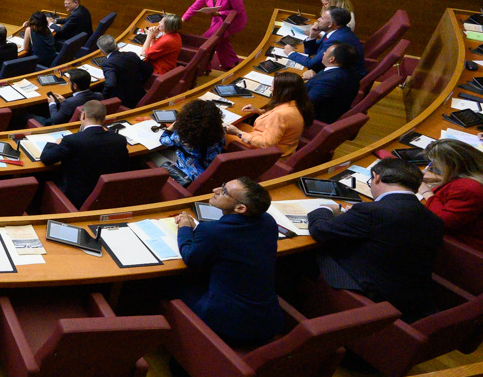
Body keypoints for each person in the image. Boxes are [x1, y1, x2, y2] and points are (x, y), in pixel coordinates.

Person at [309, 159, 443, 321]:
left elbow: (320, 231)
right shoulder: (434, 219)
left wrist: (324, 210)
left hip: (370, 293)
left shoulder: (372, 211)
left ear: (376, 177)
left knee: (313, 252)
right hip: (411, 297)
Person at [172, 178, 283, 347]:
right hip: (266, 321)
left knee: (168, 285)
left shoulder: (212, 231)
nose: (216, 189)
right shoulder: (268, 222)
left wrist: (185, 228)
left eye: (224, 191)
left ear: (240, 208)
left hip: (228, 325)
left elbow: (191, 259)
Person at [39, 100, 131, 208]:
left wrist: (55, 143)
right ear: (104, 118)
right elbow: (125, 166)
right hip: (106, 195)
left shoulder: (71, 141)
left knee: (42, 177)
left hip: (75, 198)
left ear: (83, 115)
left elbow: (46, 158)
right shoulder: (119, 140)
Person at [226, 70, 311, 157]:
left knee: (222, 134)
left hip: (268, 154)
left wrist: (238, 133)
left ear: (283, 91)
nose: (270, 88)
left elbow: (266, 144)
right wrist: (259, 111)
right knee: (238, 124)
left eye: (273, 86)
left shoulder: (281, 115)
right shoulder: (298, 103)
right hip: (281, 145)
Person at [421, 139, 483, 249]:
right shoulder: (476, 171)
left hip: (468, 245)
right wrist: (441, 180)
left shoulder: (468, 189)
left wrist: (426, 192)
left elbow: (442, 222)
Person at [182, 0, 247, 70]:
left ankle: (203, 66)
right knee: (220, 40)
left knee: (207, 40)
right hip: (217, 19)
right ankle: (231, 62)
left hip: (232, 20)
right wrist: (183, 19)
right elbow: (196, 4)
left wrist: (220, 13)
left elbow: (238, 11)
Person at [158, 99, 226, 184]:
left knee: (150, 155)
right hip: (209, 172)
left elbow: (163, 140)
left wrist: (176, 123)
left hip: (189, 176)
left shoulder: (182, 137)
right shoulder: (220, 132)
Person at [289, 6, 366, 76]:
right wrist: (312, 36)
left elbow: (311, 63)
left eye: (322, 18)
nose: (318, 19)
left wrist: (291, 53)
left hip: (344, 78)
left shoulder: (337, 39)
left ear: (330, 24)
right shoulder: (335, 30)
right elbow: (312, 51)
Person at [305, 42, 363, 124]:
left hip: (310, 119)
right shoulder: (349, 71)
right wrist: (314, 78)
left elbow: (304, 105)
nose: (324, 53)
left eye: (326, 51)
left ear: (331, 59)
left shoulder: (328, 82)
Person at [30, 67, 101, 127]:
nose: (68, 84)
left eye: (69, 82)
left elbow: (55, 120)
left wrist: (52, 104)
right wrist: (64, 101)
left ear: (75, 86)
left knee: (24, 115)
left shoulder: (69, 103)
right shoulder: (99, 96)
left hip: (54, 126)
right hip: (80, 123)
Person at [97, 35, 151, 110]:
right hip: (140, 93)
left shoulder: (107, 64)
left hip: (123, 101)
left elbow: (110, 84)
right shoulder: (131, 55)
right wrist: (140, 82)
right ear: (117, 46)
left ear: (101, 51)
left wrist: (104, 98)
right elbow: (148, 70)